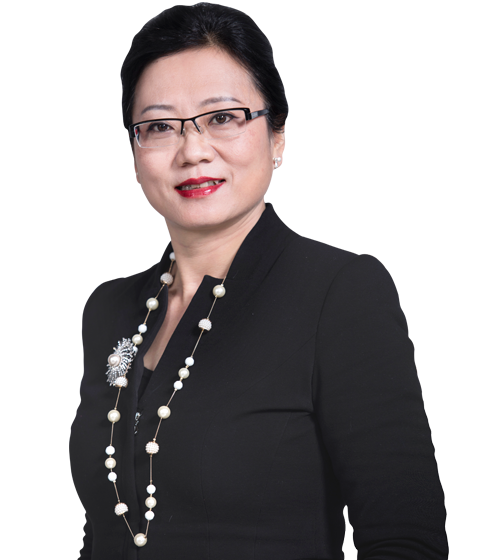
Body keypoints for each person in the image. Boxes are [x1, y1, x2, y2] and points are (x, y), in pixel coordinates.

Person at [70, 4, 448, 559]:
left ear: (277, 137)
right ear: (133, 153)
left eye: (223, 117)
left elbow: (406, 539)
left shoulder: (338, 293)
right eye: (159, 126)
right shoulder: (111, 309)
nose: (193, 150)